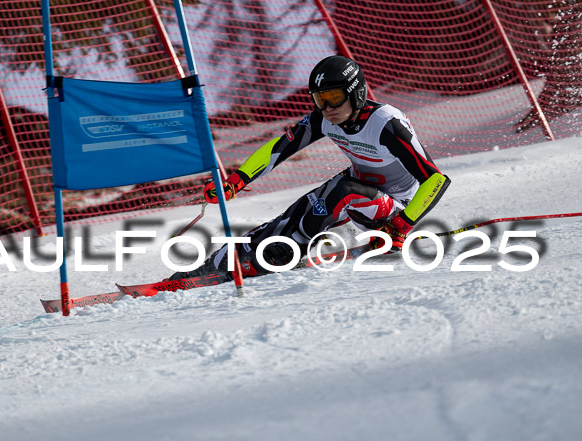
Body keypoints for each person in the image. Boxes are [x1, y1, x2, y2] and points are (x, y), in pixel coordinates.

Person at [171, 55, 450, 280]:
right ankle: (215, 265)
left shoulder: (386, 124)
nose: (326, 108)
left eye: (334, 97)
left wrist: (401, 226)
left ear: (357, 93)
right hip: (358, 188)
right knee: (292, 215)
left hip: (396, 206)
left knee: (341, 190)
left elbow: (436, 180)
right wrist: (237, 180)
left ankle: (290, 251)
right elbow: (280, 149)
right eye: (319, 99)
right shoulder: (323, 119)